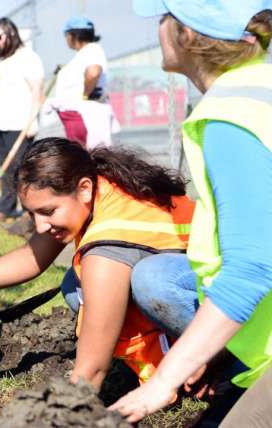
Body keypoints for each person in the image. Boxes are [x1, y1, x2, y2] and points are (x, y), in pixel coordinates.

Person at [110, 1, 272, 425]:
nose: (157, 28)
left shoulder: (231, 115)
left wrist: (163, 382)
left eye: (164, 17)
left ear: (187, 34)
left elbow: (252, 268)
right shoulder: (260, 86)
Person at [0, 137, 195, 389]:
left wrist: (67, 410)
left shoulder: (107, 246)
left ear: (84, 189)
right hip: (186, 278)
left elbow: (91, 371)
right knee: (74, 284)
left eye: (47, 212)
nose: (40, 226)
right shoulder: (94, 187)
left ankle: (204, 363)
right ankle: (167, 354)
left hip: (215, 296)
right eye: (32, 214)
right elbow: (32, 257)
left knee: (145, 280)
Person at [0, 17, 45, 221]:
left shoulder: (28, 57)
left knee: (22, 170)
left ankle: (30, 210)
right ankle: (6, 208)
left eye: (0, 37)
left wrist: (33, 120)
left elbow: (37, 90)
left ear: (11, 33)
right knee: (6, 170)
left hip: (18, 123)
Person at [50, 16, 119, 148]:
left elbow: (93, 72)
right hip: (78, 114)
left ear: (73, 35)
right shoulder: (85, 53)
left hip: (83, 115)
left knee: (84, 158)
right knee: (82, 157)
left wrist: (85, 94)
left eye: (66, 35)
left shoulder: (92, 49)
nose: (66, 39)